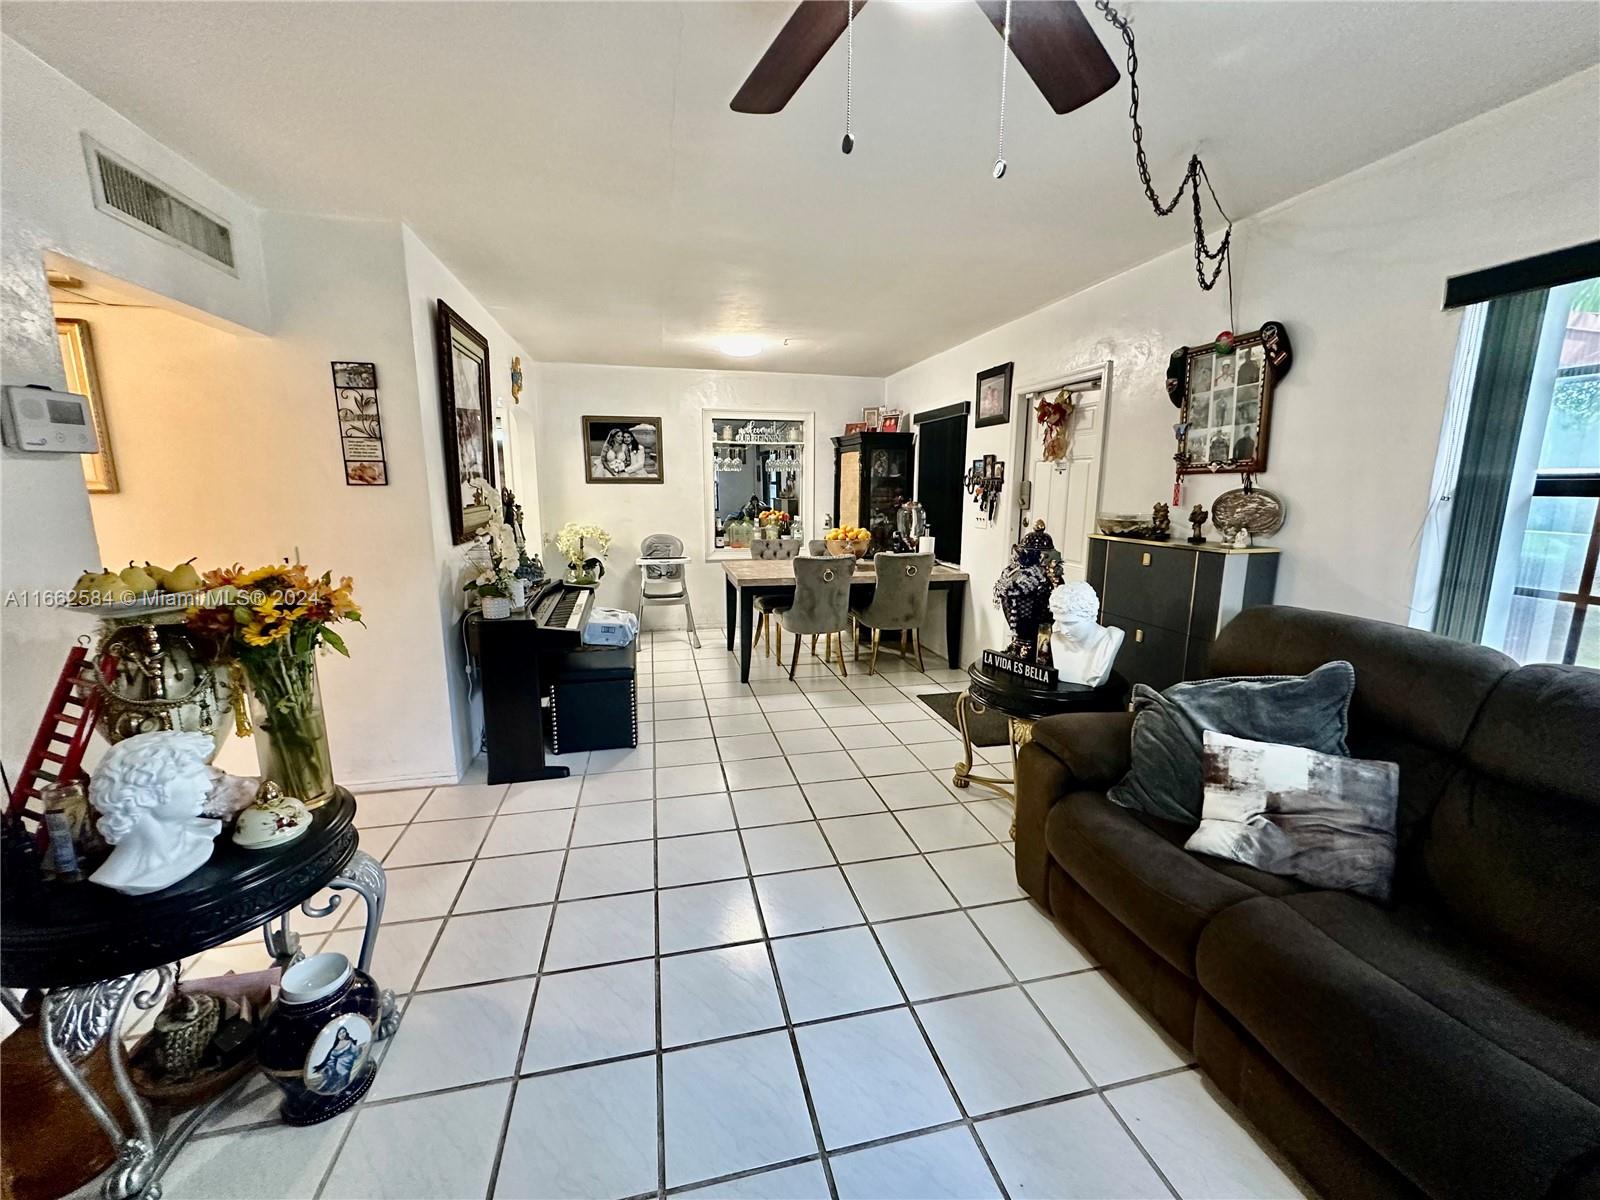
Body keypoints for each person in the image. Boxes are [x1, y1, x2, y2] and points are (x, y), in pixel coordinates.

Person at [88, 731, 226, 895]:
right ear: (146, 794)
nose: (207, 786)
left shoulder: (203, 838)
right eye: (192, 776)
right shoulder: (121, 876)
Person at [1048, 582, 1125, 687]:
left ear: (1090, 616)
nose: (1063, 630)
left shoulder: (1110, 641)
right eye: (1059, 622)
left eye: (1069, 624)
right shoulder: (1056, 639)